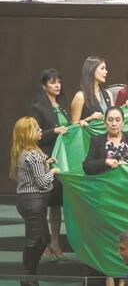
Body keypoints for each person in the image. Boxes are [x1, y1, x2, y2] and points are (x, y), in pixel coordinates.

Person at [10, 116, 59, 282]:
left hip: (28, 201)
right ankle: (28, 275)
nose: (40, 131)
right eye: (37, 128)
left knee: (43, 239)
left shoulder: (25, 153)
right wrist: (52, 172)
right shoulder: (34, 156)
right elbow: (43, 182)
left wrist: (46, 164)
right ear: (29, 133)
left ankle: (31, 273)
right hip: (34, 201)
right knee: (34, 241)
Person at [28, 69, 69, 260]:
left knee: (56, 204)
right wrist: (55, 131)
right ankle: (43, 243)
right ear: (44, 85)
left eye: (59, 81)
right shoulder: (38, 107)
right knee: (44, 203)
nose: (57, 85)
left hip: (61, 160)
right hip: (45, 159)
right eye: (53, 82)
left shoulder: (62, 104)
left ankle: (55, 241)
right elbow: (34, 136)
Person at [83, 106, 128, 173]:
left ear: (123, 123)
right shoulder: (96, 141)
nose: (114, 124)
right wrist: (105, 162)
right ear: (105, 123)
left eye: (118, 120)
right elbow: (87, 166)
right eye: (110, 120)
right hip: (106, 181)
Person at [70, 55, 110, 124]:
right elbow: (73, 126)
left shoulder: (108, 94)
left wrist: (126, 108)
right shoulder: (80, 96)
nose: (106, 72)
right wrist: (89, 119)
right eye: (102, 68)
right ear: (92, 70)